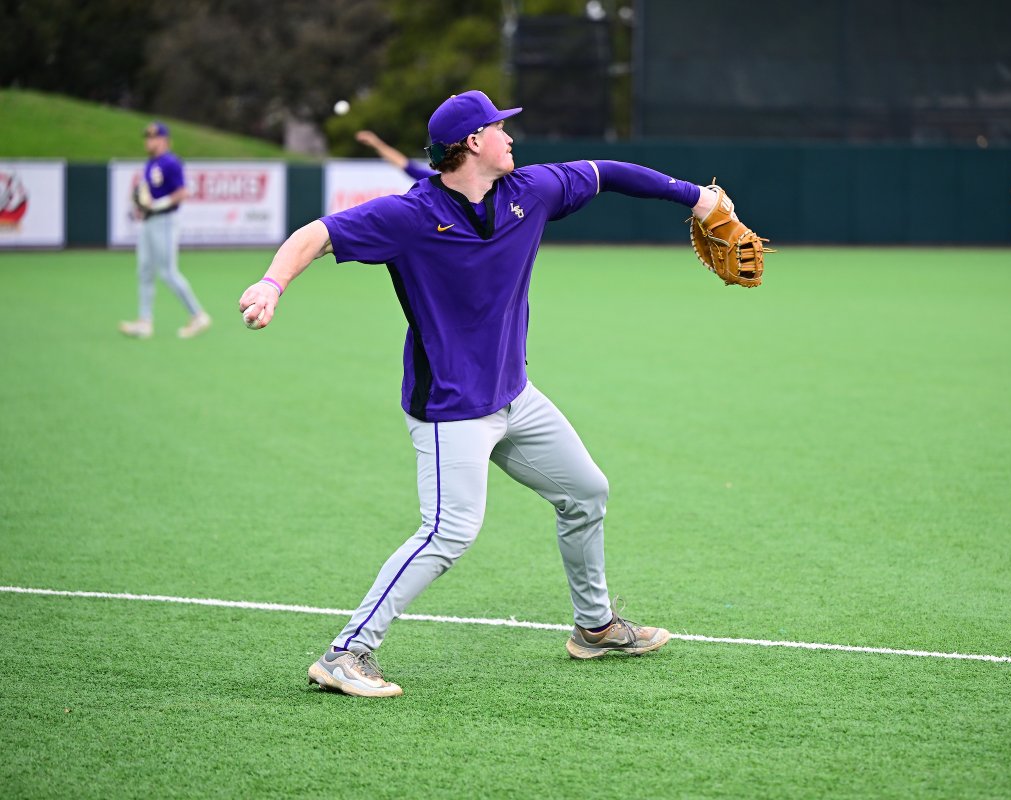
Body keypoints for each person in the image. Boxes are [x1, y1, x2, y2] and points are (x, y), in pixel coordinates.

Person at [238, 90, 734, 698]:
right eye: (500, 126)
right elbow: (315, 234)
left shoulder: (532, 190)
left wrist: (698, 197)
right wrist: (273, 283)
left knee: (585, 492)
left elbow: (609, 173)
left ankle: (595, 628)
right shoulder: (410, 216)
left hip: (514, 395)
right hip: (450, 409)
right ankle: (347, 653)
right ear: (473, 142)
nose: (511, 135)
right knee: (449, 530)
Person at [119, 122, 211, 339]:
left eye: (153, 137)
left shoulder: (170, 162)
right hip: (149, 222)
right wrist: (144, 206)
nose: (148, 141)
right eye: (147, 137)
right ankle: (144, 322)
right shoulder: (151, 163)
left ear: (164, 140)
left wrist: (156, 205)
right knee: (145, 270)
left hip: (165, 221)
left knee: (168, 272)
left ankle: (198, 315)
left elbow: (182, 192)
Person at [354, 129, 439, 182]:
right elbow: (402, 162)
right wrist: (375, 143)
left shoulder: (435, 180)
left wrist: (376, 143)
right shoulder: (434, 179)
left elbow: (402, 162)